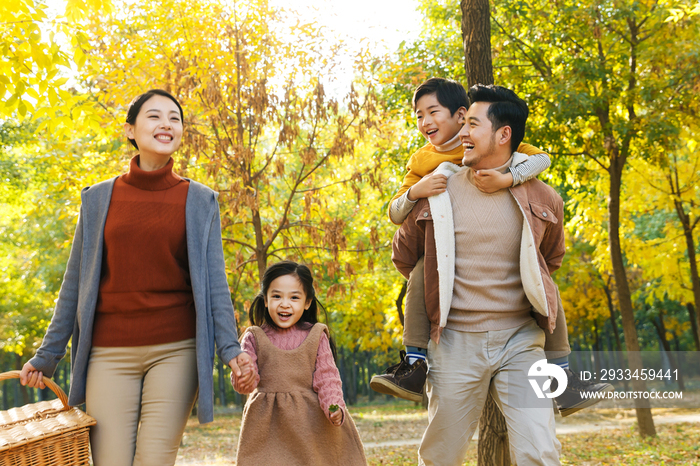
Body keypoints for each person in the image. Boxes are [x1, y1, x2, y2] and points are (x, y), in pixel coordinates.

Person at [19, 89, 255, 466]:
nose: (166, 124)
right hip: (108, 353)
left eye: (175, 118)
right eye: (154, 116)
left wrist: (230, 349)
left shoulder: (200, 200)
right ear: (130, 129)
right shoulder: (97, 199)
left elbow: (214, 284)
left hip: (176, 350)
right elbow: (74, 284)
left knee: (153, 460)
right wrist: (48, 355)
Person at [371, 77, 606, 417]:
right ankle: (414, 362)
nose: (424, 123)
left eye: (433, 112)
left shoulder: (526, 177)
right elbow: (397, 222)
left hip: (518, 335)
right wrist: (416, 192)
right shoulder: (423, 163)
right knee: (425, 267)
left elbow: (542, 163)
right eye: (418, 116)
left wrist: (507, 179)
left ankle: (562, 377)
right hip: (451, 319)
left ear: (462, 116)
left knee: (540, 274)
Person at [232, 261, 367, 466]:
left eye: (294, 297)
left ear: (307, 302)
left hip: (311, 423)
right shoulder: (254, 337)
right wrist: (244, 376)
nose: (285, 304)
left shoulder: (316, 335)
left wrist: (334, 406)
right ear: (266, 300)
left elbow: (327, 377)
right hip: (267, 425)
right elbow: (247, 377)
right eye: (276, 296)